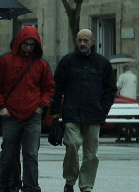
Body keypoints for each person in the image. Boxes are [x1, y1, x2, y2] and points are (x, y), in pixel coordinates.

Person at [0, 26, 54, 192]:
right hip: (10, 113)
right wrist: (1, 107)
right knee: (9, 153)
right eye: (26, 44)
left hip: (32, 114)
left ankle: (30, 186)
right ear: (19, 42)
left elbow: (49, 87)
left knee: (31, 153)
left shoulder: (41, 64)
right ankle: (6, 183)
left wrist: (41, 106)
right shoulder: (5, 61)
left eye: (32, 45)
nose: (28, 48)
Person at [50, 29, 117, 192]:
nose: (82, 43)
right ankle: (70, 180)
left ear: (93, 42)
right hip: (72, 114)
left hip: (94, 115)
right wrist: (55, 111)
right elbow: (57, 88)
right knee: (72, 145)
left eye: (85, 40)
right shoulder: (67, 61)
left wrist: (104, 109)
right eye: (79, 40)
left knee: (91, 154)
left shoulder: (103, 63)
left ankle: (86, 186)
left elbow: (110, 89)